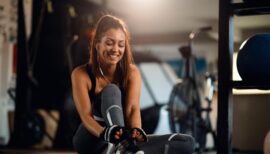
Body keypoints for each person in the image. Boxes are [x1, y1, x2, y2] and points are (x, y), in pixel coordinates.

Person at [72, 14, 195, 154]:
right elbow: (86, 117)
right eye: (109, 43)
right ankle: (123, 147)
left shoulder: (132, 72)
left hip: (121, 142)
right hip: (91, 141)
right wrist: (106, 133)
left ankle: (125, 149)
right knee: (112, 90)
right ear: (97, 44)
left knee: (186, 143)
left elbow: (132, 109)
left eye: (121, 44)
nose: (115, 49)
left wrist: (136, 131)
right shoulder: (80, 74)